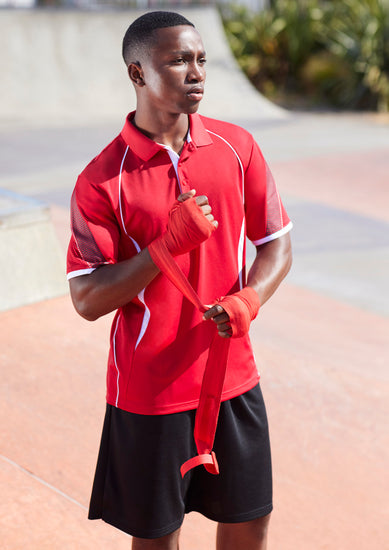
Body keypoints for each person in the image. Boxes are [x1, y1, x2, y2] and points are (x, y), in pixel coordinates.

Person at [67, 10, 292, 550]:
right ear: (137, 73)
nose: (196, 73)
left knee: (250, 520)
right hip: (149, 393)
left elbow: (276, 243)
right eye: (177, 61)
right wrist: (163, 249)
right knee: (157, 538)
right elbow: (87, 297)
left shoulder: (237, 147)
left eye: (200, 60)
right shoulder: (103, 180)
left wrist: (250, 298)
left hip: (233, 376)